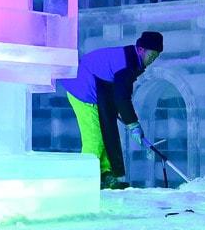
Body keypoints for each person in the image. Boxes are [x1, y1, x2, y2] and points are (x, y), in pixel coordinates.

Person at [60, 31, 163, 189]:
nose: (152, 60)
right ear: (141, 49)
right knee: (95, 139)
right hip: (83, 89)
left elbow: (118, 92)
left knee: (107, 132)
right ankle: (84, 181)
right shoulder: (127, 64)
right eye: (152, 55)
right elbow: (122, 97)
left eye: (156, 56)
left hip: (98, 88)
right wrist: (133, 125)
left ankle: (106, 175)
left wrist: (123, 117)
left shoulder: (131, 59)